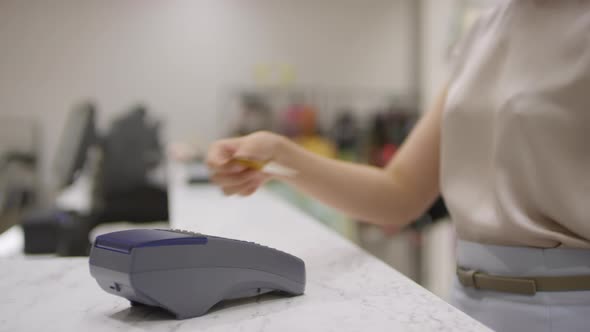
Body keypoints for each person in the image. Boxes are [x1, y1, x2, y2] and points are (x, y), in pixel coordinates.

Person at [206, 1, 590, 331]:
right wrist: (280, 154)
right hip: (463, 301)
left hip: (570, 306)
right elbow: (400, 192)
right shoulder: (482, 31)